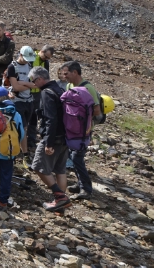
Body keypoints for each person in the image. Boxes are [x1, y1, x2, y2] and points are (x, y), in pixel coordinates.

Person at [28, 66, 70, 212]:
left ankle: (60, 198)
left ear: (40, 79)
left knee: (38, 166)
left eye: (34, 81)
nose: (33, 84)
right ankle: (61, 204)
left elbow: (51, 119)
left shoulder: (47, 93)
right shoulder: (59, 89)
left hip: (54, 137)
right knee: (60, 170)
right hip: (65, 136)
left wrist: (48, 143)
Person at [61, 61, 102, 201]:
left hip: (84, 131)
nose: (64, 76)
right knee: (73, 156)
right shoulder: (69, 86)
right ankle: (80, 184)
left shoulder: (88, 88)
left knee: (77, 158)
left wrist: (83, 121)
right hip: (71, 130)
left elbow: (97, 110)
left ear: (75, 72)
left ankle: (86, 188)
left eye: (66, 73)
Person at [6, 46, 38, 162]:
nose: (27, 61)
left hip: (28, 100)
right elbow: (15, 87)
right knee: (22, 127)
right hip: (17, 101)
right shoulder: (12, 67)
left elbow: (35, 84)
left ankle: (20, 150)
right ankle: (24, 153)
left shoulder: (30, 65)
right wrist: (28, 85)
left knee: (25, 126)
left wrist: (23, 83)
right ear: (20, 55)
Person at [28, 45, 55, 151]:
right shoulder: (31, 58)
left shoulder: (46, 63)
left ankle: (31, 139)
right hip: (27, 91)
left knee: (34, 116)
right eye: (46, 56)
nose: (46, 59)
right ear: (42, 51)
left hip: (38, 93)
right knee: (26, 115)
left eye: (48, 58)